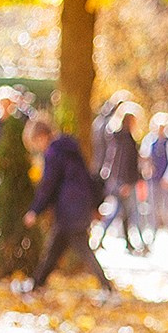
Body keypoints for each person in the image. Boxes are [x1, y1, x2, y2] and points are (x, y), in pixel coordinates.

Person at [21, 118, 115, 296]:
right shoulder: (69, 147)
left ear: (41, 136)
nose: (38, 148)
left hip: (68, 207)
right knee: (55, 249)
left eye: (35, 143)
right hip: (78, 204)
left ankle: (106, 287)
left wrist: (35, 210)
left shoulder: (53, 152)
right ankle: (36, 284)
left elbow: (48, 184)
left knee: (81, 248)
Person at [99, 101, 146, 254]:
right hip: (125, 182)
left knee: (123, 212)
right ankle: (138, 243)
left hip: (121, 180)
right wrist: (125, 183)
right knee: (130, 212)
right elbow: (124, 163)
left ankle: (128, 243)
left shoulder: (119, 138)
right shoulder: (125, 140)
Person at [141, 112, 168, 243]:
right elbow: (144, 156)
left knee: (167, 206)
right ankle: (153, 233)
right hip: (153, 178)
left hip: (165, 179)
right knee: (152, 206)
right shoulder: (150, 140)